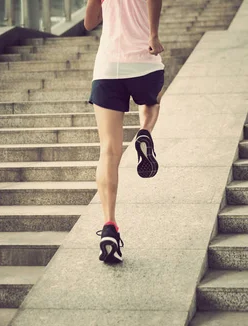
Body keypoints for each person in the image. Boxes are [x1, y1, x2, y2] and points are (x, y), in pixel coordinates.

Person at [85, 0, 165, 264]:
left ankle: (109, 225)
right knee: (151, 102)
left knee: (108, 150)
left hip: (108, 67)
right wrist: (153, 34)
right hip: (143, 60)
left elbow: (89, 23)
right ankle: (145, 131)